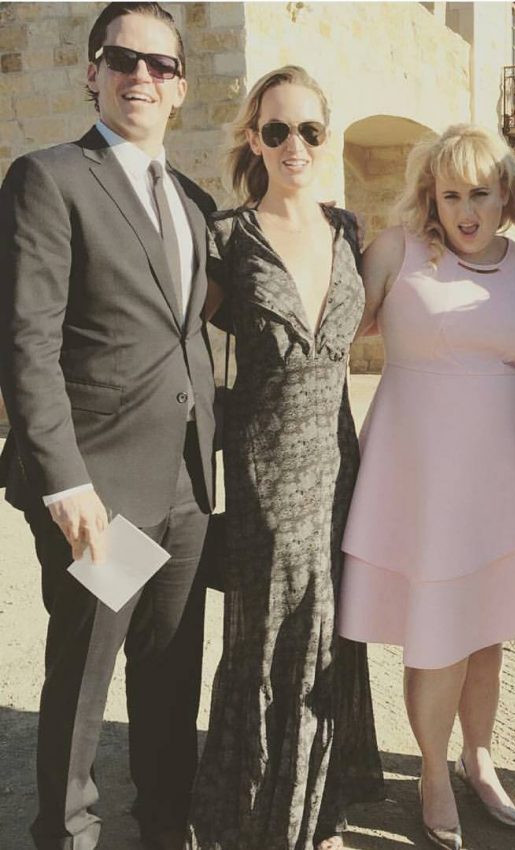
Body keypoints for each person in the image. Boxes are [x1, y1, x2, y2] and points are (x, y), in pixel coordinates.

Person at [0, 4, 216, 850]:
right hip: (103, 495)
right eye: (122, 59)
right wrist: (65, 481)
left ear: (181, 89)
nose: (141, 77)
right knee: (86, 682)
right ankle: (65, 834)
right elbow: (27, 342)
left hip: (186, 492)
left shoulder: (193, 201)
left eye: (161, 66)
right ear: (93, 71)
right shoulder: (49, 179)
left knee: (171, 680)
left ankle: (163, 826)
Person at [338, 124, 515, 850]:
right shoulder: (397, 251)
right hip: (422, 478)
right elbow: (330, 336)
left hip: (504, 476)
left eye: (480, 193)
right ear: (431, 197)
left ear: (506, 193)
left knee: (487, 632)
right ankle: (433, 773)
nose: (466, 211)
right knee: (438, 634)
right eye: (451, 196)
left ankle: (480, 758)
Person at [186, 66, 384, 850]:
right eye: (277, 130)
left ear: (324, 137)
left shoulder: (348, 231)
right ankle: (253, 817)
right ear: (254, 138)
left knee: (332, 640)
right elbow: (177, 335)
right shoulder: (228, 238)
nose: (293, 144)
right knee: (266, 645)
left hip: (339, 465)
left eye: (308, 130)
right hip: (265, 468)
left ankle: (316, 812)